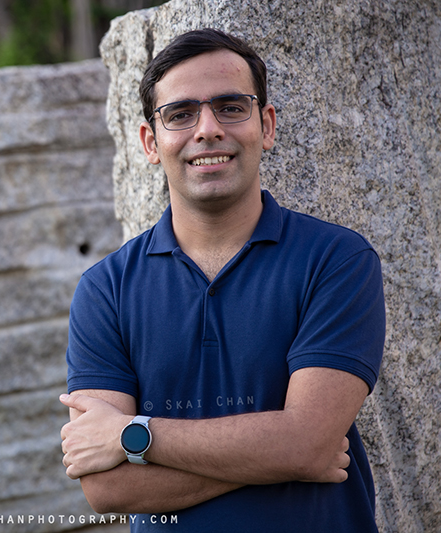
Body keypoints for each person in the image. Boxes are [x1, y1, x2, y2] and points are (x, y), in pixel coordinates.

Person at [59, 28, 385, 532]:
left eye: (231, 106)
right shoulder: (106, 290)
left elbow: (309, 443)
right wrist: (284, 454)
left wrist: (133, 437)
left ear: (267, 125)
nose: (207, 129)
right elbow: (108, 488)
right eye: (180, 114)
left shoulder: (337, 260)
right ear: (151, 141)